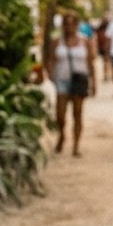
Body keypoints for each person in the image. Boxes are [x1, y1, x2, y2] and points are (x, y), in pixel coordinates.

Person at [48, 10, 96, 157]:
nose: (69, 27)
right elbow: (50, 59)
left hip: (79, 80)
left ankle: (76, 146)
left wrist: (93, 81)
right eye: (66, 24)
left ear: (77, 24)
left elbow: (90, 62)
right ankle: (62, 135)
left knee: (78, 113)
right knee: (60, 115)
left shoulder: (84, 41)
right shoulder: (57, 42)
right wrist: (51, 75)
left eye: (72, 23)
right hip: (62, 80)